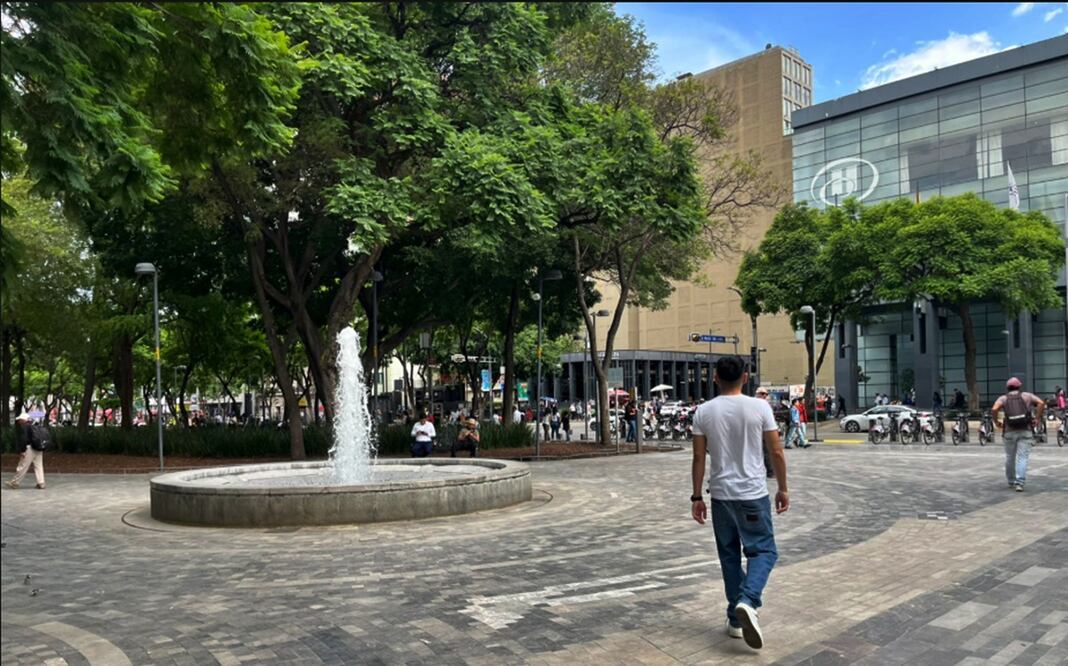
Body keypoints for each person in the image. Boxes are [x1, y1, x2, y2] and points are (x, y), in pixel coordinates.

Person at [691, 356, 789, 651]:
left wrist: (696, 496)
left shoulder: (703, 412)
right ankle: (748, 601)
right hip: (752, 494)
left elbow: (698, 458)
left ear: (716, 378)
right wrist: (783, 488)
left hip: (721, 496)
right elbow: (776, 451)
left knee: (730, 556)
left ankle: (736, 620)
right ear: (745, 378)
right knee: (764, 551)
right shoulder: (760, 407)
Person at [991, 377, 1044, 492]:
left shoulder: (1003, 398)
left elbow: (994, 409)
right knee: (1023, 457)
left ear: (1007, 387)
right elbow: (1040, 403)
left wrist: (996, 422)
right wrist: (1037, 418)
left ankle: (1011, 481)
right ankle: (1020, 483)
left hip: (1009, 431)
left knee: (1010, 457)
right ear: (1019, 386)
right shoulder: (1027, 396)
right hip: (1025, 429)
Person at [6, 412, 45, 490]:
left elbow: (24, 439)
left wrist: (22, 450)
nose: (19, 422)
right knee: (39, 466)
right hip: (38, 448)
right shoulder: (36, 425)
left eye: (20, 420)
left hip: (29, 448)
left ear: (24, 420)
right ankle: (41, 483)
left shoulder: (26, 427)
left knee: (22, 466)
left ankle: (15, 482)